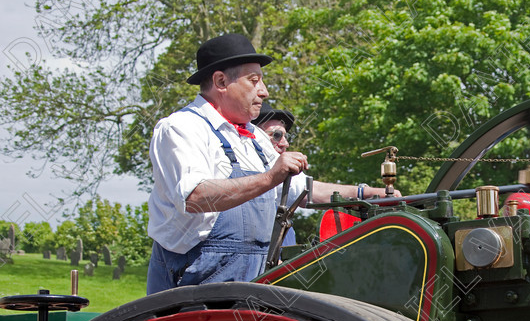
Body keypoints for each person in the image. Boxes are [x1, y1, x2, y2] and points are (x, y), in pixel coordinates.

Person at [146, 33, 392, 294]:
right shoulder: (181, 128)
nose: (264, 91)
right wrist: (269, 177)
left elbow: (302, 190)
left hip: (256, 277)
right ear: (220, 81)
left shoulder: (253, 138)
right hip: (196, 284)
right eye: (254, 81)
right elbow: (195, 197)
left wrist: (370, 194)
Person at [252, 102, 398, 247]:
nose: (285, 144)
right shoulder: (246, 168)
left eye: (285, 136)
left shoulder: (279, 172)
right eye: (277, 135)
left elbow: (312, 191)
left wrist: (368, 193)